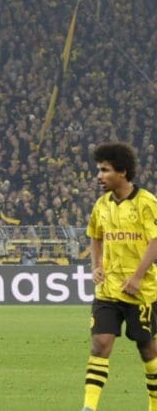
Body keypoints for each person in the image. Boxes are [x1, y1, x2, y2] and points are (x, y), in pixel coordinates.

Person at [82, 142, 157, 411]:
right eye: (98, 170)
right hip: (108, 289)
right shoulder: (101, 205)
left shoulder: (147, 202)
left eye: (104, 170)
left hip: (142, 291)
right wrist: (96, 265)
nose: (99, 176)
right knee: (100, 344)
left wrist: (137, 277)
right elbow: (95, 235)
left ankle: (154, 404)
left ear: (122, 172)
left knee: (147, 349)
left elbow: (155, 241)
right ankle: (89, 407)